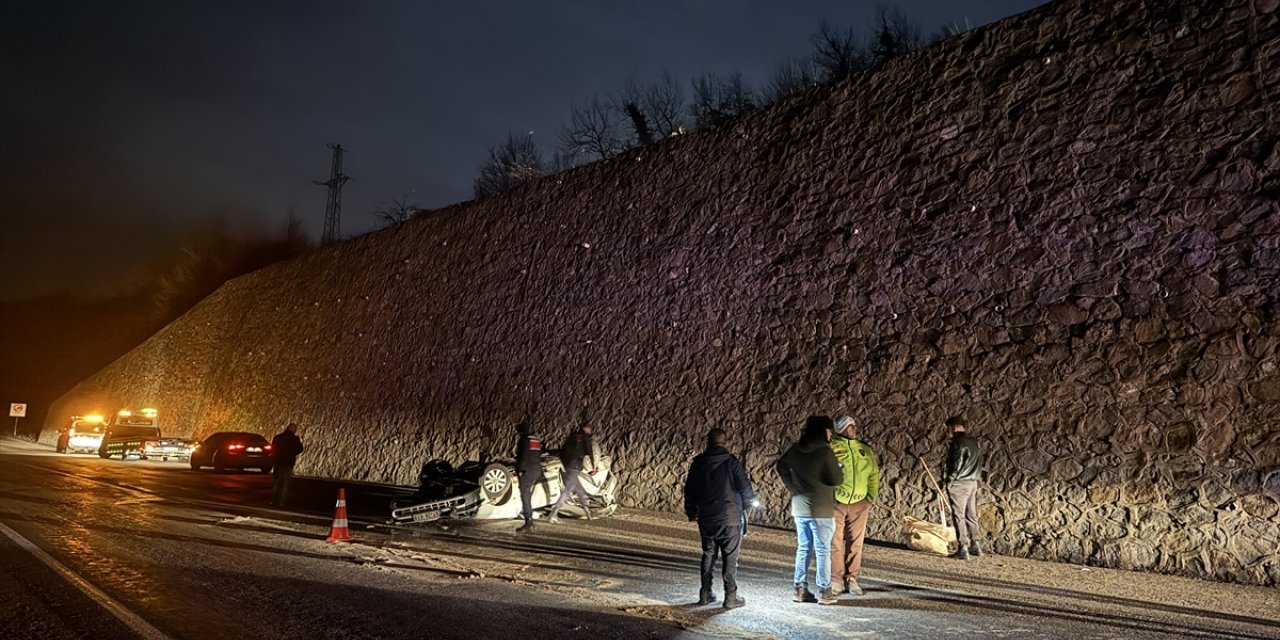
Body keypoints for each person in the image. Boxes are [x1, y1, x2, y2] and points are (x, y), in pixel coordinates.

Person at [684, 428, 754, 609]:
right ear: (726, 442)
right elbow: (745, 488)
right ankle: (730, 596)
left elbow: (690, 489)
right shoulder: (732, 462)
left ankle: (705, 592)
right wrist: (746, 505)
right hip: (730, 518)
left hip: (706, 517)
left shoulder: (698, 463)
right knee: (730, 557)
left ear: (708, 442)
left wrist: (692, 511)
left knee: (708, 554)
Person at [775, 415, 843, 605]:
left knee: (803, 547)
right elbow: (836, 479)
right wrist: (839, 467)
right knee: (822, 550)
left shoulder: (795, 449)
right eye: (830, 431)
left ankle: (799, 589)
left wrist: (792, 486)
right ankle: (825, 591)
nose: (831, 435)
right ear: (823, 431)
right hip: (821, 508)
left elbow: (781, 465)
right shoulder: (824, 451)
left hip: (799, 507)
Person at [830, 415, 879, 596]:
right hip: (837, 503)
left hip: (860, 503)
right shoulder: (832, 448)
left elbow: (874, 474)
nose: (854, 430)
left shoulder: (864, 449)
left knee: (855, 543)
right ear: (842, 429)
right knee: (834, 542)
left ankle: (852, 578)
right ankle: (835, 579)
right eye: (851, 427)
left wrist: (870, 497)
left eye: (854, 426)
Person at [943, 416, 983, 560]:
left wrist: (949, 480)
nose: (948, 433)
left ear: (954, 427)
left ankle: (963, 547)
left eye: (948, 429)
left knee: (958, 515)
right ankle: (976, 544)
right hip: (972, 482)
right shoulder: (974, 442)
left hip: (959, 483)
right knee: (971, 514)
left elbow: (957, 464)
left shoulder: (957, 442)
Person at [547, 423, 596, 523]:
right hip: (575, 466)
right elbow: (590, 451)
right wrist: (593, 466)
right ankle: (553, 514)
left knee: (580, 490)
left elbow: (562, 451)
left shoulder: (571, 437)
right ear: (586, 429)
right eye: (589, 428)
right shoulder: (585, 438)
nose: (590, 430)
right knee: (567, 491)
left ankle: (588, 513)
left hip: (569, 466)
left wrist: (565, 465)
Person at [515, 422, 543, 533]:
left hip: (527, 470)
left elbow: (524, 455)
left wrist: (520, 469)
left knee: (525, 495)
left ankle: (528, 523)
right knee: (527, 494)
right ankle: (529, 519)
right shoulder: (536, 439)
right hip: (536, 469)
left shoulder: (524, 439)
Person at [270, 423, 304, 508]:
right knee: (285, 484)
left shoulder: (278, 437)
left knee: (276, 483)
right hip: (288, 463)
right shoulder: (294, 439)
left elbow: (273, 447)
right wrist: (292, 453)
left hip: (278, 462)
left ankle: (273, 501)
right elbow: (300, 449)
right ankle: (281, 503)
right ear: (293, 430)